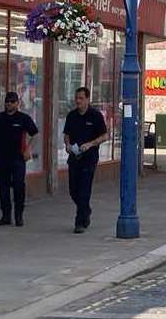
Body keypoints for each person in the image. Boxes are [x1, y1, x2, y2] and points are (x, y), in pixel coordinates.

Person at [0, 92, 38, 227]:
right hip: (1, 158)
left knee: (19, 186)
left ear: (17, 103)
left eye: (12, 102)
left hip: (18, 159)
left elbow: (35, 135)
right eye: (7, 101)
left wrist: (28, 149)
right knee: (3, 188)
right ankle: (6, 216)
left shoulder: (23, 118)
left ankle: (19, 215)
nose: (9, 104)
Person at [63, 87, 108, 234]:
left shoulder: (95, 116)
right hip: (74, 158)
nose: (78, 101)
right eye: (77, 98)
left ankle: (80, 222)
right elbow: (66, 134)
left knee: (84, 190)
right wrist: (67, 145)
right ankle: (86, 210)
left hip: (89, 159)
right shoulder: (72, 116)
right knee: (73, 191)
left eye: (81, 98)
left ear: (87, 99)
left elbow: (105, 136)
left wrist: (90, 144)